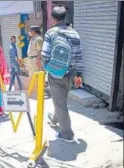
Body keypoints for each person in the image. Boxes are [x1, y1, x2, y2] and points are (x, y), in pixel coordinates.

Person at [42, 6, 83, 142]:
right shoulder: (74, 33)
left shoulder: (50, 33)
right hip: (70, 73)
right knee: (60, 100)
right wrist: (78, 75)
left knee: (60, 103)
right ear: (65, 18)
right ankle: (54, 119)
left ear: (53, 19)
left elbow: (45, 54)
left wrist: (47, 67)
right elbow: (78, 56)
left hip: (55, 74)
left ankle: (67, 134)